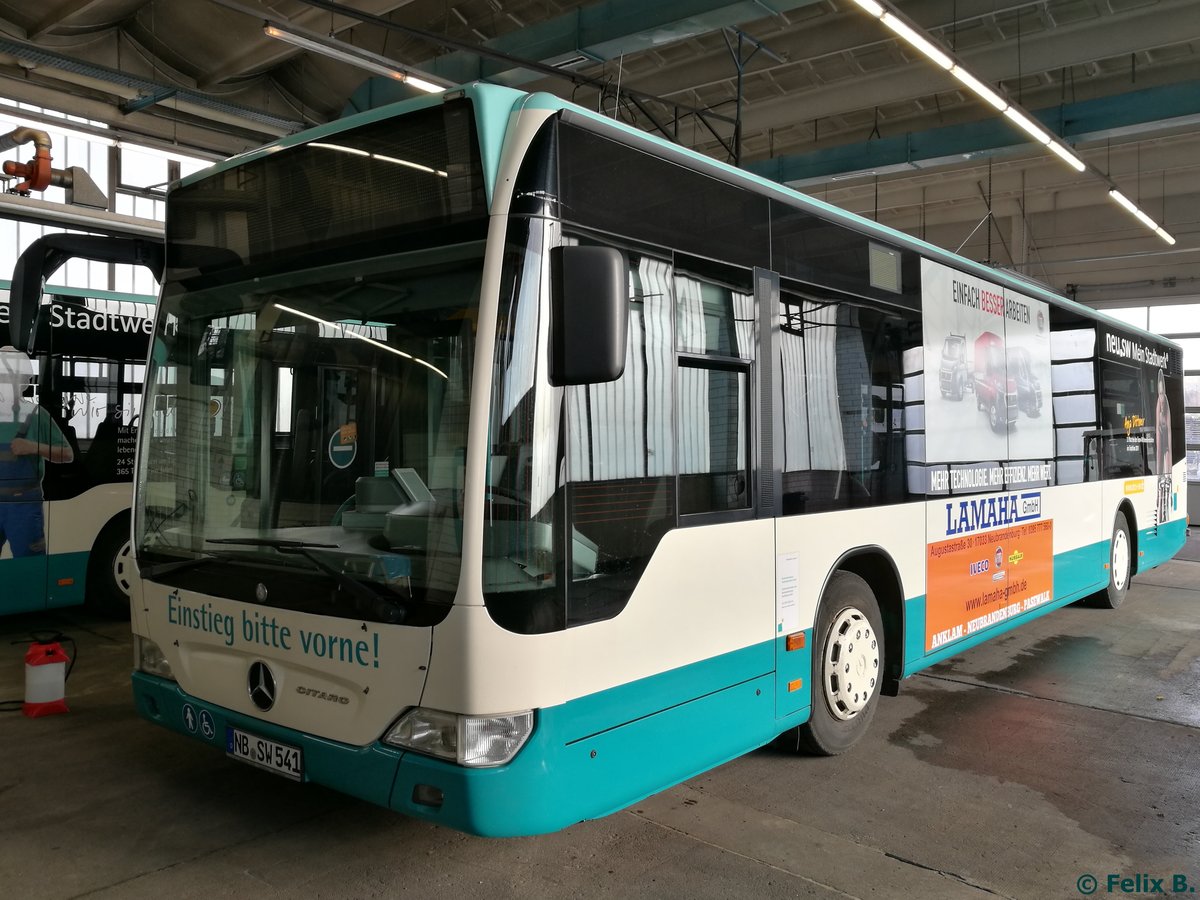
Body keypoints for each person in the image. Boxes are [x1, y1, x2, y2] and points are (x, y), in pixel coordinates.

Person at [0, 346, 73, 558]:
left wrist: (34, 447)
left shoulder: (35, 414)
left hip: (24, 505)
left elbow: (67, 454)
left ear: (22, 381)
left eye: (10, 377)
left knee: (30, 567)